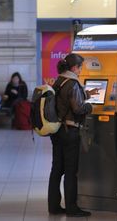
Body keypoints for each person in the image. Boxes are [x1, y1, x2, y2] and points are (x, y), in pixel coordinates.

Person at [48, 53, 99, 217]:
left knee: (57, 169)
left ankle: (54, 206)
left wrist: (88, 93)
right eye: (80, 68)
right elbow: (77, 108)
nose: (81, 71)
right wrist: (90, 107)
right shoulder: (73, 83)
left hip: (57, 131)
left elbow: (65, 100)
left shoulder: (59, 80)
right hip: (70, 132)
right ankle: (72, 207)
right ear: (74, 67)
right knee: (71, 171)